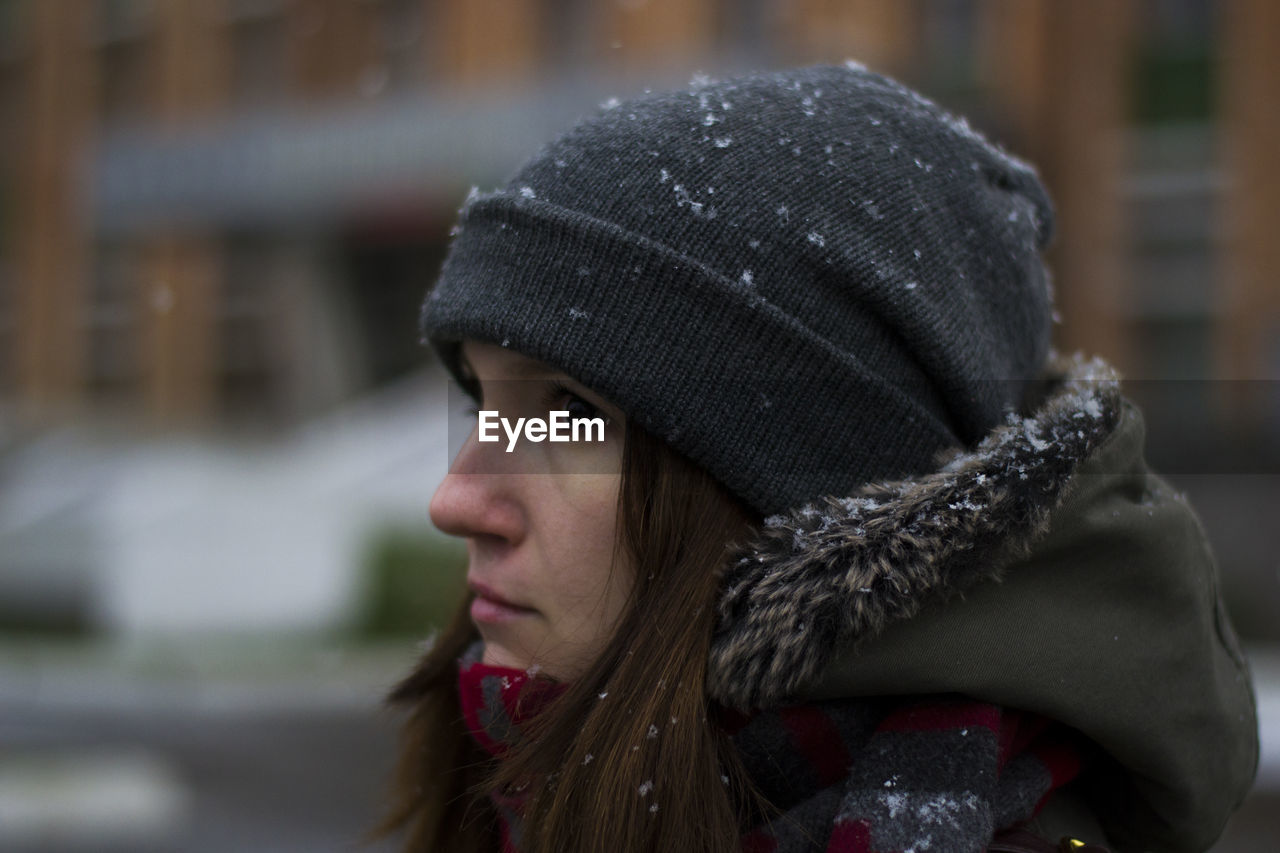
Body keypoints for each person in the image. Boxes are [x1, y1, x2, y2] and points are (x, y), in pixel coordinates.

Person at [378, 64, 1258, 853]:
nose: (455, 500)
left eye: (570, 411)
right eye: (483, 402)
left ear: (810, 487)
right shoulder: (523, 784)